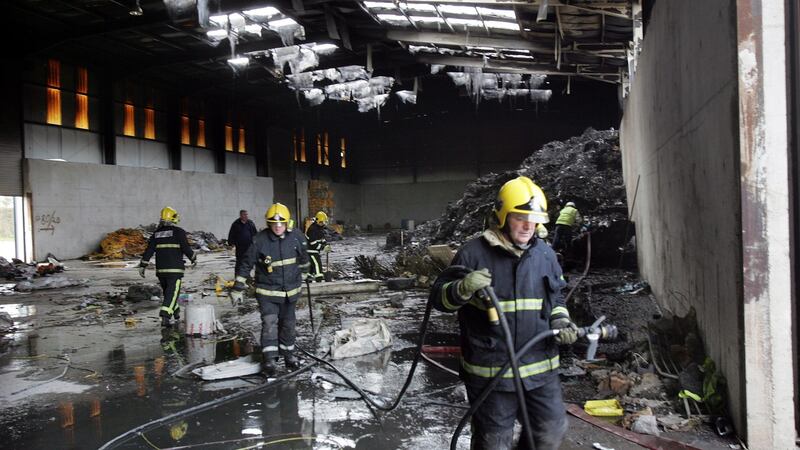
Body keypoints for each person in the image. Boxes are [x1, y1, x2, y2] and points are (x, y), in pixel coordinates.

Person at [430, 176, 578, 450]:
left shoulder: (544, 253)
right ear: (502, 215)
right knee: (493, 443)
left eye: (534, 219)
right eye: (520, 217)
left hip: (540, 369)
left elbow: (555, 295)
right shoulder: (472, 254)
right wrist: (462, 288)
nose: (528, 226)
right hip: (492, 372)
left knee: (549, 432)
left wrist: (561, 317)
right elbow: (439, 300)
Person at [230, 202, 310, 375]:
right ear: (269, 223)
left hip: (290, 293)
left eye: (281, 223)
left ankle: (288, 355)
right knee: (269, 324)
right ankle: (270, 360)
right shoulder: (259, 240)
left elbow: (304, 259)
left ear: (287, 222)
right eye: (274, 224)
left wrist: (304, 275)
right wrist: (237, 287)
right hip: (268, 294)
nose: (278, 227)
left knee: (288, 325)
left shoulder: (297, 237)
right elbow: (246, 264)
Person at [139, 206, 196, 327]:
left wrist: (143, 265)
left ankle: (176, 313)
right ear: (173, 218)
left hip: (161, 270)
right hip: (174, 270)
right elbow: (186, 248)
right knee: (172, 292)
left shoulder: (156, 234)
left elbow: (149, 251)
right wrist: (193, 258)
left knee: (168, 293)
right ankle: (165, 315)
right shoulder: (179, 232)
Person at [227, 210, 258, 276]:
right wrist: (231, 243)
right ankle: (237, 275)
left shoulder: (250, 223)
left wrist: (256, 242)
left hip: (249, 246)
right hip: (240, 247)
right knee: (239, 261)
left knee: (248, 261)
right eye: (244, 214)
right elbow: (231, 234)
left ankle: (247, 276)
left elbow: (255, 233)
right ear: (240, 215)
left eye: (247, 214)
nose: (246, 216)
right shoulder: (236, 224)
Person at [305, 211, 332, 282]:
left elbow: (321, 239)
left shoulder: (320, 228)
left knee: (311, 266)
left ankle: (308, 278)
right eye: (321, 222)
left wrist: (326, 244)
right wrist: (323, 248)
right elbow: (313, 243)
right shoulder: (312, 229)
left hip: (314, 251)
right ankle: (319, 278)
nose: (322, 224)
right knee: (317, 264)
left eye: (323, 222)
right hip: (310, 251)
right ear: (317, 221)